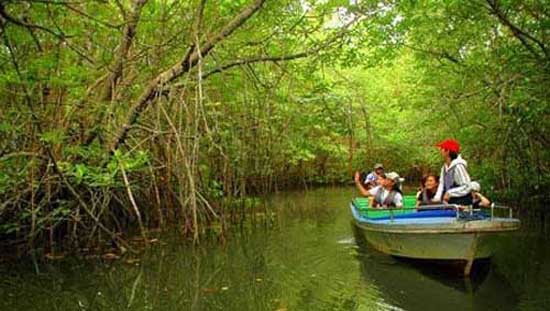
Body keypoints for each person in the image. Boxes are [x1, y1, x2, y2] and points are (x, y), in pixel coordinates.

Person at [433, 139, 473, 205]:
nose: (440, 151)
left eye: (442, 149)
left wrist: (450, 193)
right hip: (450, 201)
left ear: (447, 151)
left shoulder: (458, 166)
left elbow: (466, 186)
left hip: (461, 200)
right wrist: (437, 198)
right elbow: (442, 184)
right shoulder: (444, 168)